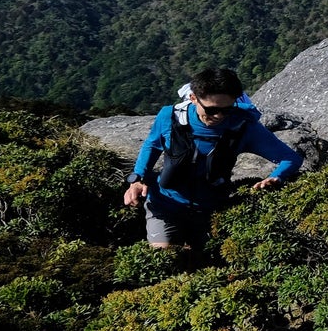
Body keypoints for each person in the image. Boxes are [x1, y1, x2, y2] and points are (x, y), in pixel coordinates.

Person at [123, 67, 305, 252]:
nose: (219, 116)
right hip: (166, 204)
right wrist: (137, 179)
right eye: (212, 110)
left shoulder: (243, 126)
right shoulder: (170, 117)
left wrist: (276, 177)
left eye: (227, 109)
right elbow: (153, 145)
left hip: (212, 211)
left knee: (203, 262)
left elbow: (290, 157)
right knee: (165, 257)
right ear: (193, 98)